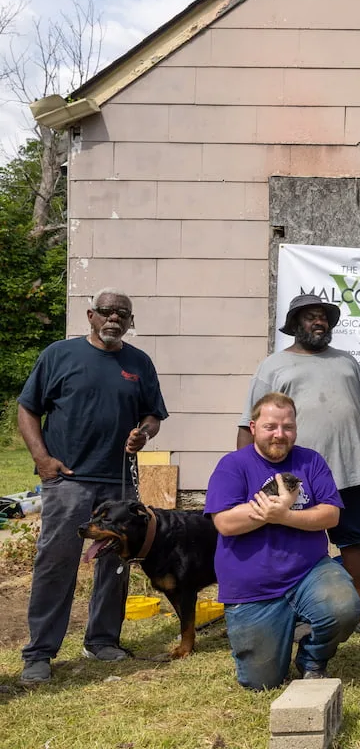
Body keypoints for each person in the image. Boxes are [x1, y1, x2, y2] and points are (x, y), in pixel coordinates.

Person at [18, 289, 168, 686]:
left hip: (118, 484)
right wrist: (42, 460)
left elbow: (153, 415)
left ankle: (101, 640)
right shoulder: (59, 355)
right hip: (68, 480)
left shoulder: (139, 363)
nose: (114, 318)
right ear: (90, 315)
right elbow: (28, 409)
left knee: (115, 565)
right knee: (57, 562)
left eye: (123, 313)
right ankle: (40, 653)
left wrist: (143, 433)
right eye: (106, 312)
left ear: (130, 321)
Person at [238, 293, 360, 636]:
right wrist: (248, 472)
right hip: (295, 476)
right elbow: (248, 424)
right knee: (293, 545)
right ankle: (300, 616)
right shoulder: (273, 366)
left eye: (323, 316)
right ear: (295, 324)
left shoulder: (348, 363)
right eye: (310, 316)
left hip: (350, 470)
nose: (318, 322)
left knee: (354, 542)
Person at [206, 392, 360, 689]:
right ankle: (277, 634)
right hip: (253, 587)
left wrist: (284, 516)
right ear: (253, 427)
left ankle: (313, 658)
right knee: (261, 683)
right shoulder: (233, 465)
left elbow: (331, 515)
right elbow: (225, 523)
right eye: (271, 427)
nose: (280, 434)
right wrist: (269, 512)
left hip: (309, 572)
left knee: (343, 607)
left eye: (288, 427)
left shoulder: (310, 461)